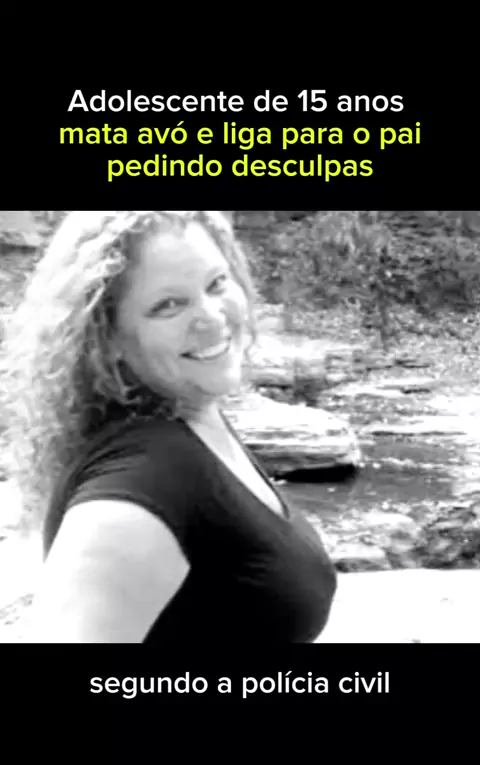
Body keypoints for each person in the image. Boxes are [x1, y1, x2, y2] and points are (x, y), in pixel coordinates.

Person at [3, 210, 337, 644]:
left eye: (216, 283)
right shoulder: (137, 486)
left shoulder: (191, 412)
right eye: (168, 306)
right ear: (108, 338)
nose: (212, 318)